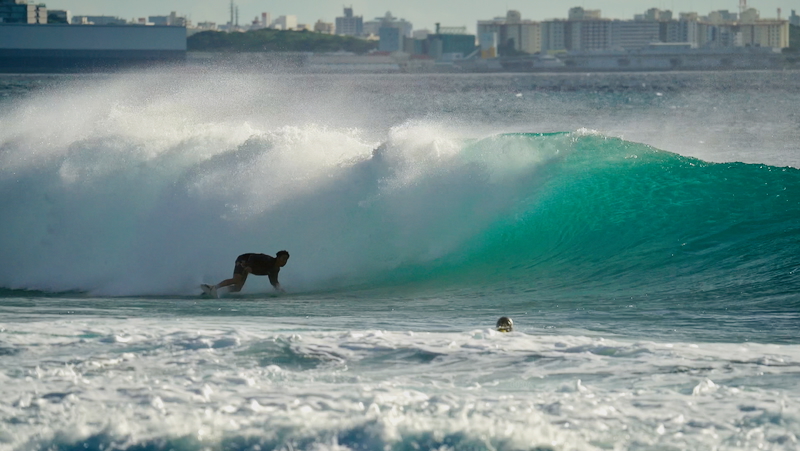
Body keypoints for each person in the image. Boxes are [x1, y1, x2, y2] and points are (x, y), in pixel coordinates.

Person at [204, 250, 290, 294]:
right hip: (244, 260)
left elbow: (274, 282)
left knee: (237, 288)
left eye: (286, 260)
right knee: (236, 280)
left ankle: (218, 291)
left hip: (249, 267)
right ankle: (213, 287)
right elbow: (252, 256)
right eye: (283, 259)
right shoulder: (268, 259)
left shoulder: (275, 270)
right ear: (277, 258)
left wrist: (281, 291)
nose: (284, 261)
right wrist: (249, 265)